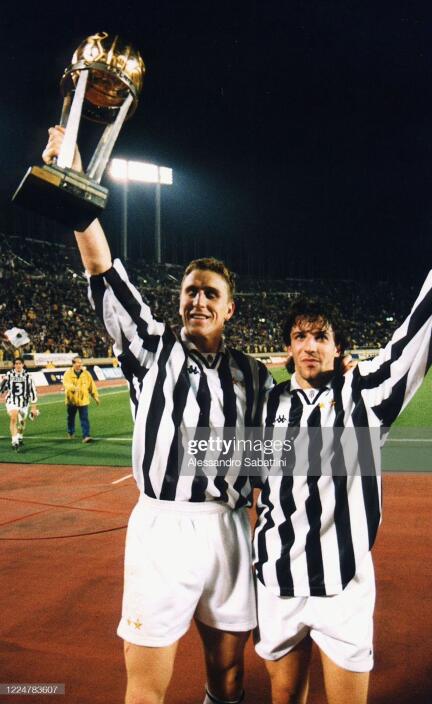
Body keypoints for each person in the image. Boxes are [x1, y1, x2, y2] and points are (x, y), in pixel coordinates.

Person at [42, 126, 274, 704]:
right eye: (191, 291)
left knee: (229, 675)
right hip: (161, 528)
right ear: (180, 300)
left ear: (230, 308)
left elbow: (277, 454)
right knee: (146, 683)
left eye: (211, 293)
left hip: (228, 526)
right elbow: (103, 270)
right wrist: (77, 189)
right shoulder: (151, 349)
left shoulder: (255, 376)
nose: (198, 300)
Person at [252, 184, 432, 704]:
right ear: (287, 349)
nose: (311, 345)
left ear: (338, 348)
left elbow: (411, 343)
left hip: (344, 586)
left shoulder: (365, 396)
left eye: (322, 336)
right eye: (301, 337)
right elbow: (248, 481)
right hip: (278, 582)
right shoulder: (265, 407)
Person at [0, 357, 39, 450]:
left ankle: (20, 436)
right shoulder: (9, 374)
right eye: (16, 363)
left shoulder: (28, 376)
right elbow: (2, 387)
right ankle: (14, 441)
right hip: (12, 401)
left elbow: (33, 391)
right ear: (14, 365)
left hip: (24, 403)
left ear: (23, 364)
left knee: (21, 422)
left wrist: (33, 407)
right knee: (14, 417)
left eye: (19, 363)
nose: (18, 365)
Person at [62, 356, 99, 443]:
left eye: (81, 362)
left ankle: (86, 436)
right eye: (78, 362)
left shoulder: (86, 374)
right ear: (73, 364)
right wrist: (74, 388)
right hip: (72, 400)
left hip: (83, 400)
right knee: (71, 418)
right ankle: (71, 432)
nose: (80, 364)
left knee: (84, 419)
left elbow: (92, 386)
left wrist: (95, 396)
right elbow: (66, 384)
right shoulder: (68, 374)